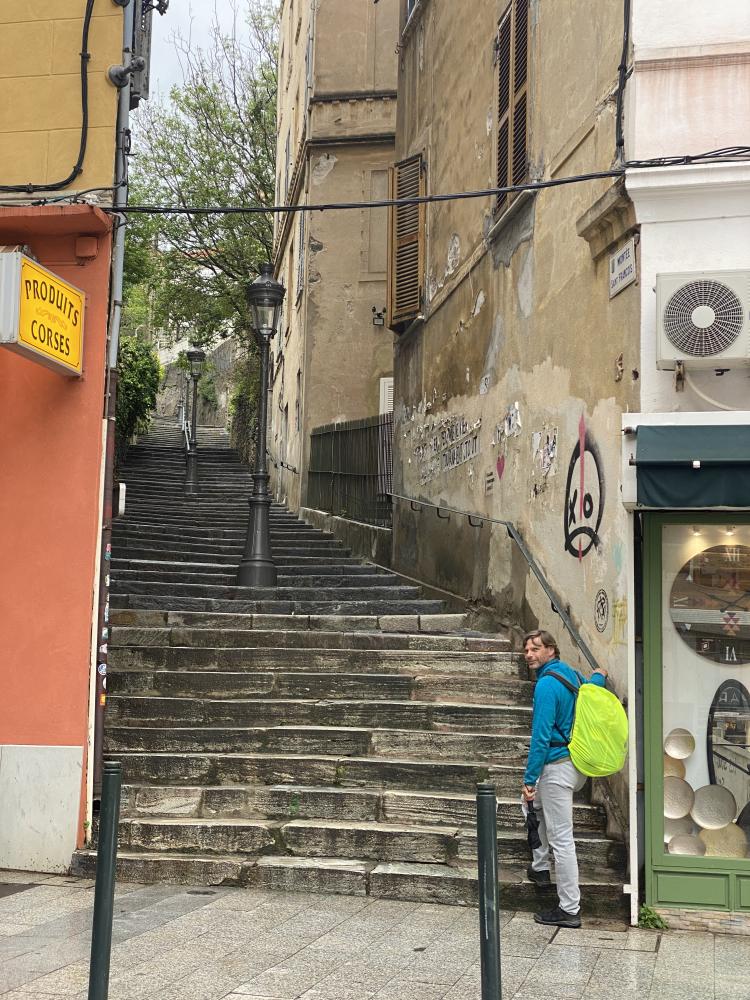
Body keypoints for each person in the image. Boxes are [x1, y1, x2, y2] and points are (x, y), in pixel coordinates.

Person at [521, 629, 608, 928]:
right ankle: (540, 866)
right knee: (530, 807)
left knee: (562, 839)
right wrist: (599, 675)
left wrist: (530, 779)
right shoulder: (570, 674)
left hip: (557, 767)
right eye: (526, 650)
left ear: (551, 650)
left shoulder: (546, 685)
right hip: (576, 765)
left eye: (535, 649)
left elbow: (540, 737)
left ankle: (569, 908)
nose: (529, 654)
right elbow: (591, 688)